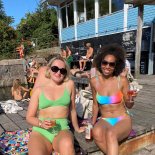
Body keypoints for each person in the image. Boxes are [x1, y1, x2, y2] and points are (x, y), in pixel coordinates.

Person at [26, 55, 85, 155]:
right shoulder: (39, 90)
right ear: (49, 70)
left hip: (61, 128)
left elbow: (72, 110)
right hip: (41, 130)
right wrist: (41, 123)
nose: (58, 73)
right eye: (55, 69)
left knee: (67, 146)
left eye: (62, 71)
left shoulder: (69, 84)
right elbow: (29, 117)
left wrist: (77, 128)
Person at [90, 44, 134, 155]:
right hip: (105, 119)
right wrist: (92, 123)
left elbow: (129, 105)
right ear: (100, 63)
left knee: (110, 134)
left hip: (122, 119)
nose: (107, 66)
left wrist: (130, 99)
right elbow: (95, 105)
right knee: (96, 132)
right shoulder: (94, 81)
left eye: (111, 64)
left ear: (116, 66)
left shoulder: (122, 80)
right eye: (104, 63)